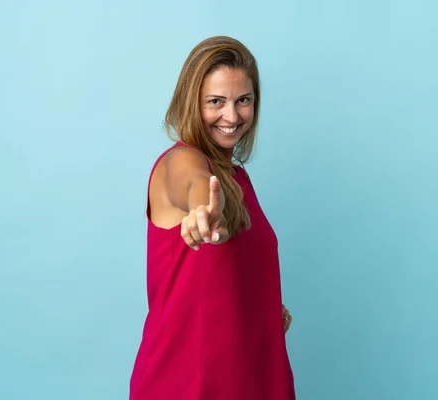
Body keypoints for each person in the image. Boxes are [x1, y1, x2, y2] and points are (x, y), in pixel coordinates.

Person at [130, 36, 295, 400]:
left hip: (252, 374)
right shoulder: (179, 162)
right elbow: (194, 184)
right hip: (188, 381)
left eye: (243, 101)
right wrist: (202, 208)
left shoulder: (238, 179)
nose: (232, 116)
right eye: (216, 102)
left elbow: (227, 275)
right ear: (193, 102)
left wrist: (262, 309)